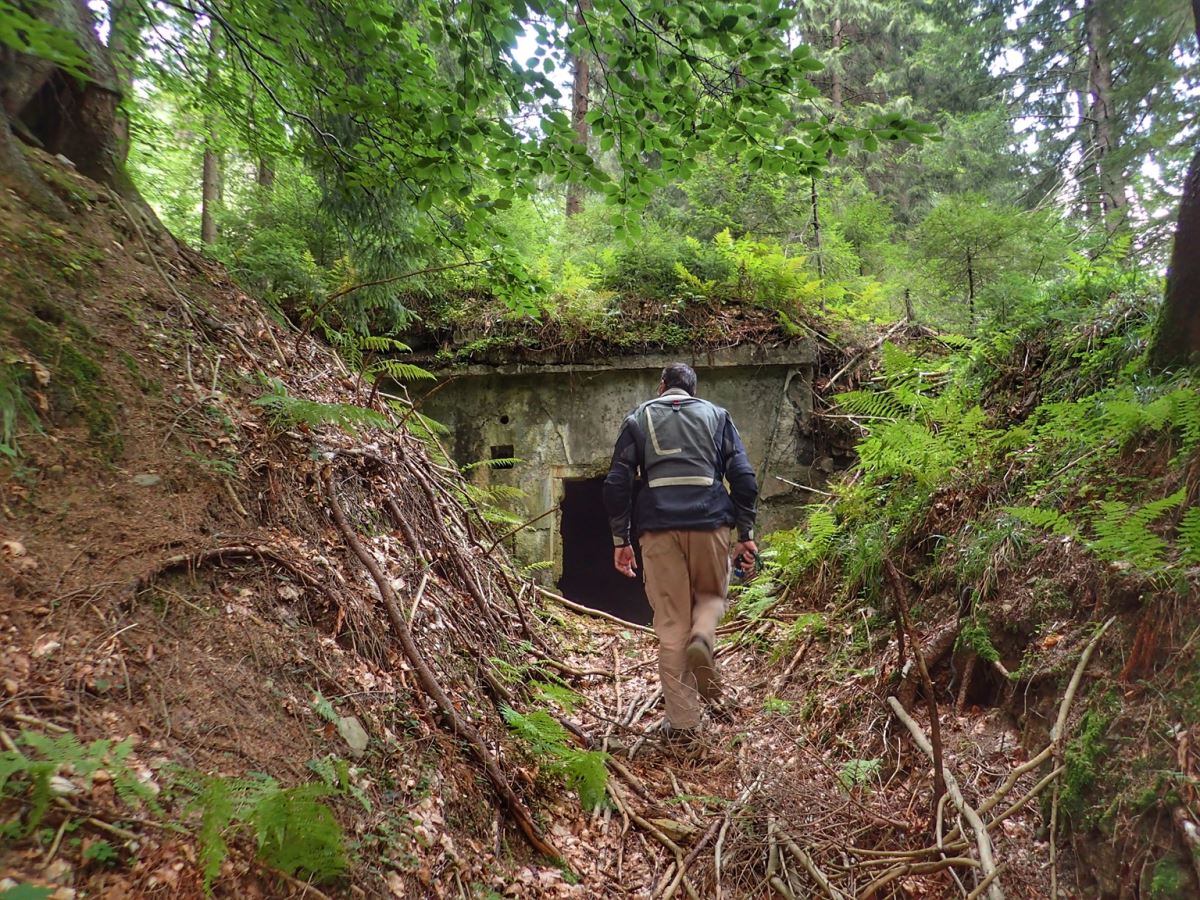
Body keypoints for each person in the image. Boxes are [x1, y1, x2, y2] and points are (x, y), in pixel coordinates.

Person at [602, 363, 759, 740]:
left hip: (657, 528)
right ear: (693, 389)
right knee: (710, 597)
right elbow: (743, 476)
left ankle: (685, 724)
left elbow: (617, 482)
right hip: (711, 522)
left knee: (671, 625)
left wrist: (620, 540)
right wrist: (746, 532)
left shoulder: (638, 418)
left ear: (662, 387)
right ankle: (703, 637)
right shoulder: (718, 417)